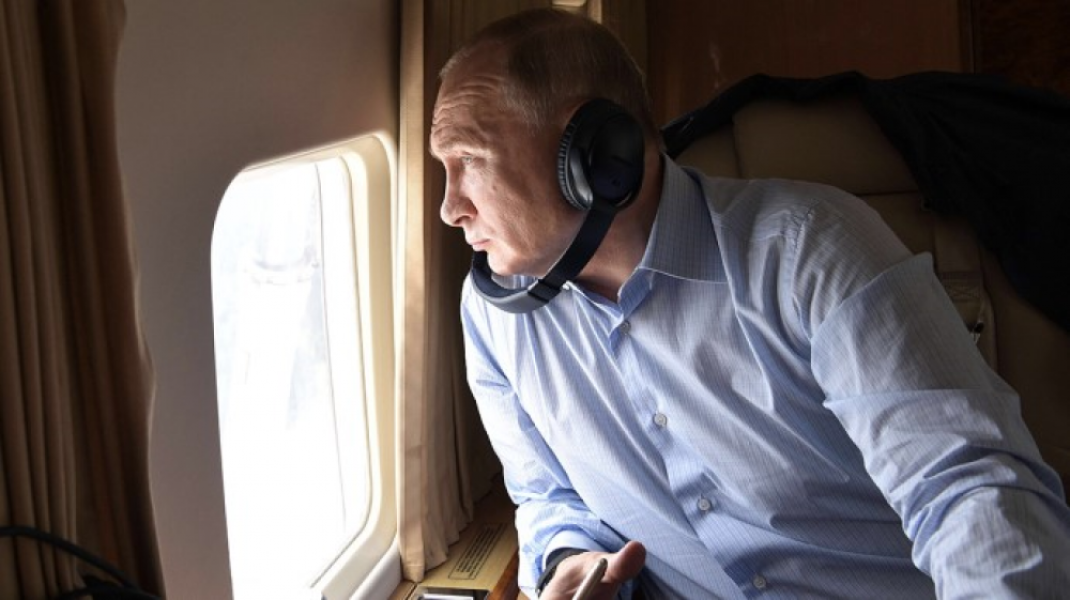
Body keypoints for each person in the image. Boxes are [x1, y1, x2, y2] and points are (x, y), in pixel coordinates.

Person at [430, 8, 1070, 599]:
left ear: (598, 155)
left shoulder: (811, 250)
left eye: (469, 161)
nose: (450, 207)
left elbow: (967, 490)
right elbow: (547, 495)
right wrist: (570, 558)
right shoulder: (493, 314)